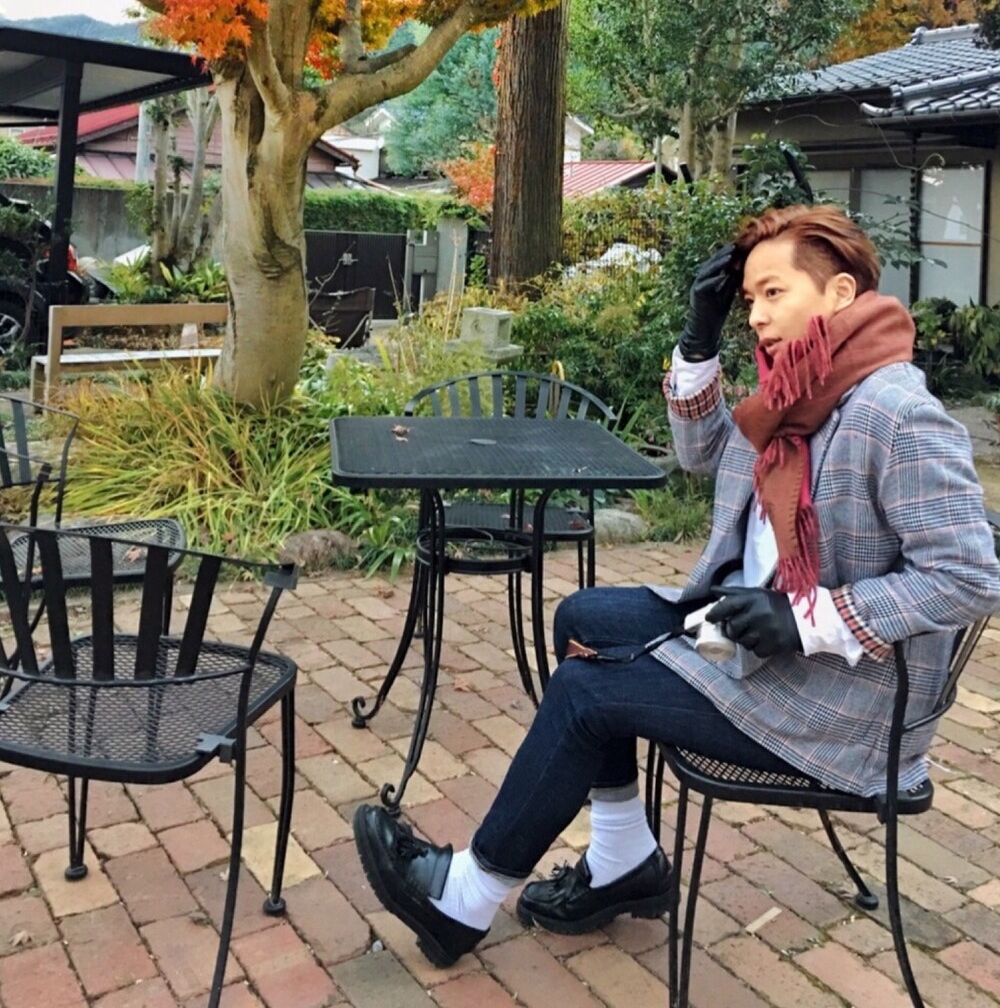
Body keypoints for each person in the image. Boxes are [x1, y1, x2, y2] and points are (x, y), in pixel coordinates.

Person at [353, 203, 1000, 970]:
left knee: (588, 693)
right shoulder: (797, 390)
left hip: (839, 701)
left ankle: (463, 900)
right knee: (581, 617)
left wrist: (810, 617)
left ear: (839, 294)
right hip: (750, 635)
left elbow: (968, 577)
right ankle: (624, 863)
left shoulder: (896, 413)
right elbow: (702, 455)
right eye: (749, 299)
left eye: (774, 293)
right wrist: (698, 341)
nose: (756, 315)